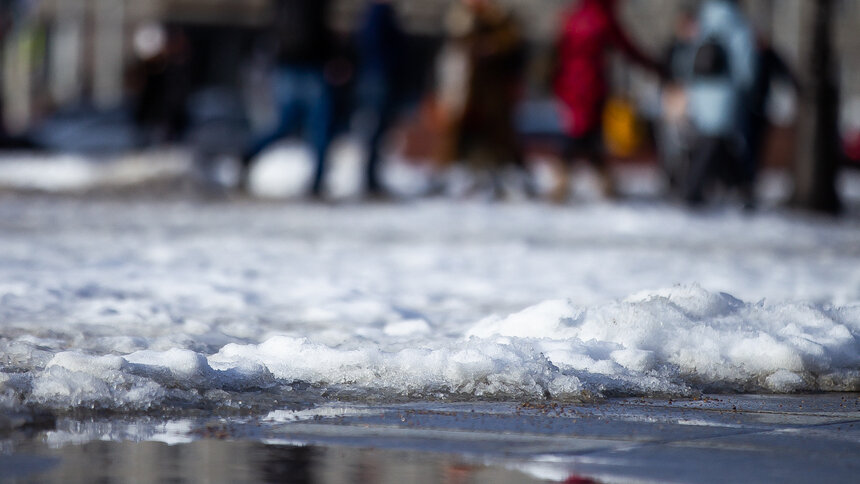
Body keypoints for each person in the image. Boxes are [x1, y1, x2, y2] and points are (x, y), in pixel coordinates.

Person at [552, 0, 663, 202]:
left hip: (569, 83)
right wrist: (653, 65)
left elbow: (558, 51)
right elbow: (627, 47)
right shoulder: (602, 18)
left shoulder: (572, 16)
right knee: (582, 135)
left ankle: (601, 182)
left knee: (584, 133)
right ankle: (567, 181)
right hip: (591, 84)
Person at [239, 0, 335, 198]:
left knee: (307, 126)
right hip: (305, 66)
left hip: (293, 64)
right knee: (313, 127)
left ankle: (317, 182)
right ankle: (248, 152)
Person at [437, 0, 527, 198]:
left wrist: (495, 46)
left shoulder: (502, 21)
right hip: (467, 96)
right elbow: (451, 62)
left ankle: (500, 181)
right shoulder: (460, 22)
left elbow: (514, 51)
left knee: (498, 142)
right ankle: (468, 180)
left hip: (494, 97)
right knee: (464, 141)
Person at [684, 0, 758, 207]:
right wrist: (747, 89)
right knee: (715, 143)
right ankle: (693, 190)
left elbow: (691, 57)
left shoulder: (704, 20)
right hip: (726, 93)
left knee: (716, 143)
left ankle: (741, 188)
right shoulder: (737, 24)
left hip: (701, 92)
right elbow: (745, 63)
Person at [354, 0, 405, 198]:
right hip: (379, 78)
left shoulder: (377, 11)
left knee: (377, 129)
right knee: (374, 128)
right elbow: (374, 45)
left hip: (377, 76)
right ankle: (369, 178)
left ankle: (371, 176)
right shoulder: (379, 11)